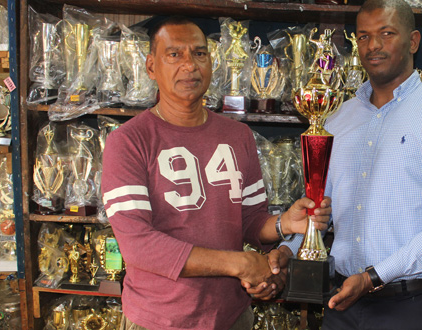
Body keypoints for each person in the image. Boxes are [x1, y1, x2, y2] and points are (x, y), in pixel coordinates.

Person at [101, 16, 331, 330]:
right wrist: (240, 264)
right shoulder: (127, 141)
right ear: (151, 67)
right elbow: (138, 246)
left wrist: (283, 225)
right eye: (174, 54)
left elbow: (250, 221)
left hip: (231, 316)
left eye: (199, 54)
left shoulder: (237, 136)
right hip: (159, 320)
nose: (189, 65)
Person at [273, 0, 422, 328]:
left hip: (412, 305)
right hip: (341, 301)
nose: (373, 45)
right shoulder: (337, 118)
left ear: (413, 41)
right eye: (363, 36)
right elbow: (319, 208)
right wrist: (289, 250)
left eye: (386, 34)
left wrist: (373, 277)